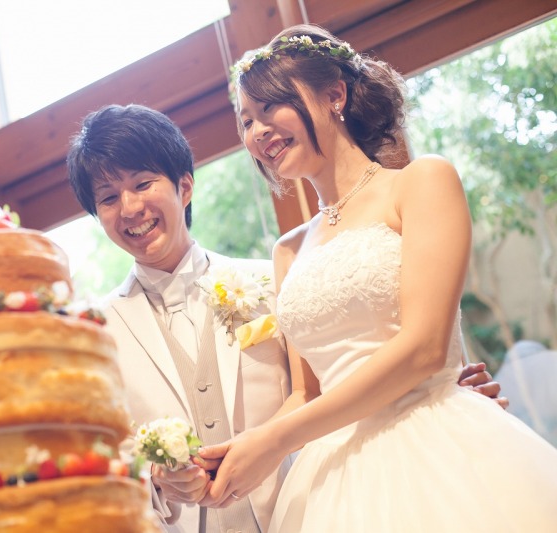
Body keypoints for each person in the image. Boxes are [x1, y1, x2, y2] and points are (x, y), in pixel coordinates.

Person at [65, 103, 508, 532]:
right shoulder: (91, 335)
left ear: (184, 187)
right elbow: (95, 463)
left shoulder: (283, 282)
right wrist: (156, 480)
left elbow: (340, 374)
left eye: (142, 184)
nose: (129, 208)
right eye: (108, 198)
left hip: (310, 513)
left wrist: (442, 392)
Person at [194, 23, 557, 532]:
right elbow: (307, 393)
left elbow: (425, 348)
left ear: (334, 96)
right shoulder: (288, 249)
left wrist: (276, 441)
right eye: (246, 120)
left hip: (434, 442)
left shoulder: (421, 182)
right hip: (335, 477)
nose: (258, 132)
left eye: (270, 106)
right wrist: (241, 451)